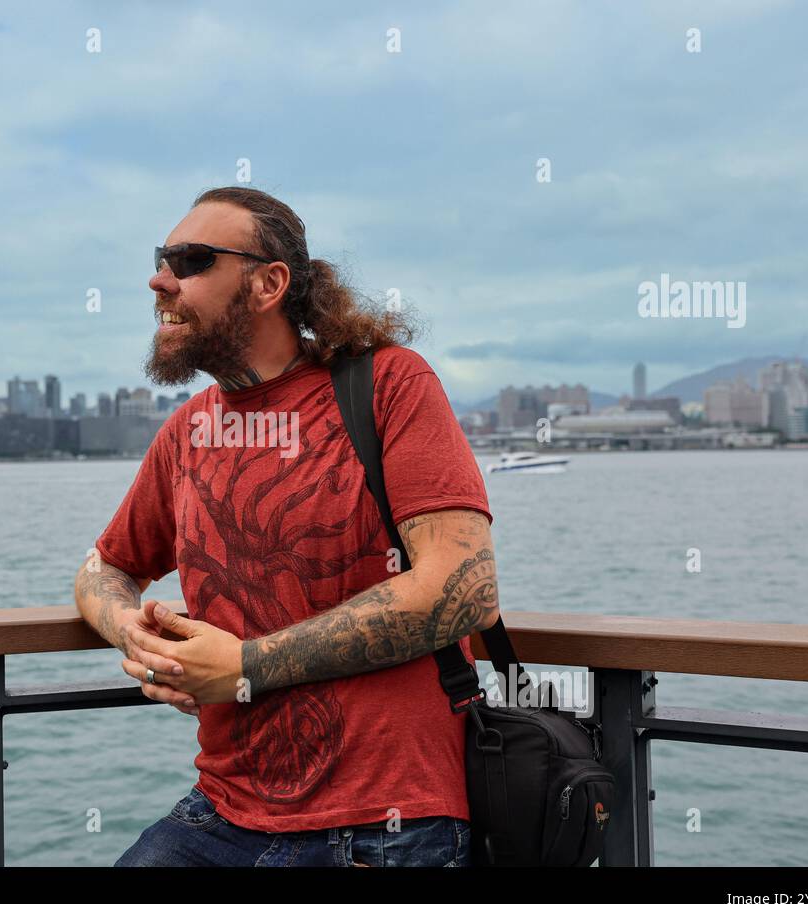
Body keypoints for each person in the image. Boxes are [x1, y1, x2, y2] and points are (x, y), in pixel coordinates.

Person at [73, 186, 498, 866]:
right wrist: (135, 633)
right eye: (161, 259)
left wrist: (244, 666)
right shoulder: (188, 433)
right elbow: (103, 569)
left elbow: (461, 589)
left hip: (385, 830)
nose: (159, 279)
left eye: (190, 260)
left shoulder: (390, 385)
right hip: (219, 813)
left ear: (270, 283)